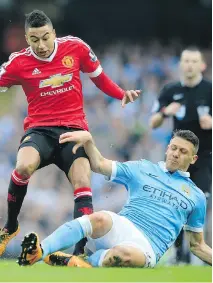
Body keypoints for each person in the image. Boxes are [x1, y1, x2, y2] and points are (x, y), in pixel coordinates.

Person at [0, 10, 140, 256]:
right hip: (39, 129)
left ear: (54, 33)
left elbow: (99, 78)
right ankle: (10, 226)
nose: (41, 45)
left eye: (45, 37)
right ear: (26, 38)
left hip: (74, 129)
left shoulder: (76, 48)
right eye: (34, 40)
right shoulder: (18, 62)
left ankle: (80, 250)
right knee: (22, 168)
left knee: (82, 182)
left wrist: (121, 93)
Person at [17, 129, 212, 268]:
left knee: (121, 256)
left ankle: (80, 261)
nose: (176, 154)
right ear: (167, 148)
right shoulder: (143, 168)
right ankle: (39, 251)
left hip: (148, 246)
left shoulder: (196, 196)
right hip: (124, 224)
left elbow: (197, 245)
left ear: (193, 159)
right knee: (100, 217)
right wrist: (88, 141)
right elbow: (100, 164)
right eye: (174, 148)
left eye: (183, 151)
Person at [149, 46, 212, 263]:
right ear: (180, 64)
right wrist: (166, 113)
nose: (189, 65)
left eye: (194, 61)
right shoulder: (170, 90)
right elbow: (153, 122)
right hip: (177, 158)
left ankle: (200, 251)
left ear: (202, 65)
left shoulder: (210, 90)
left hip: (204, 157)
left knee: (200, 202)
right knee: (175, 203)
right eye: (186, 61)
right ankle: (179, 254)